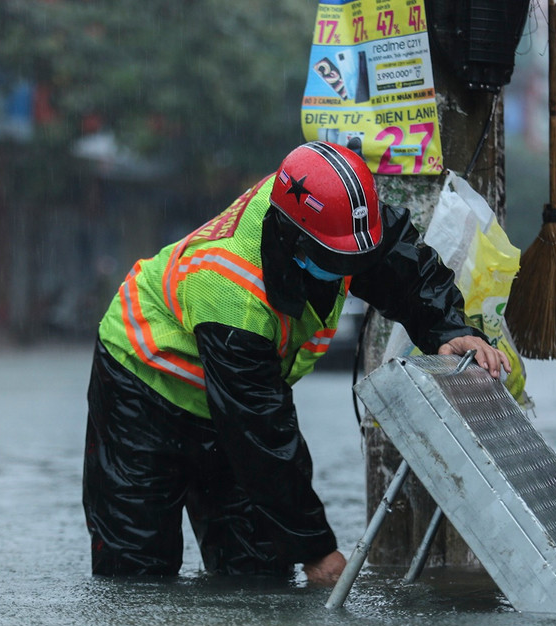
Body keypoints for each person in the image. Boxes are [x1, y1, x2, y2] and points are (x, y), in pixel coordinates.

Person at [83, 142, 509, 586]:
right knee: (135, 570)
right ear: (292, 240)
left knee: (257, 573)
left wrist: (449, 331)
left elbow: (403, 267)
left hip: (237, 396)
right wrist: (316, 549)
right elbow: (261, 433)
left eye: (358, 260)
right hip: (141, 389)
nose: (352, 271)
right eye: (338, 262)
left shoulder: (337, 214)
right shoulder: (233, 294)